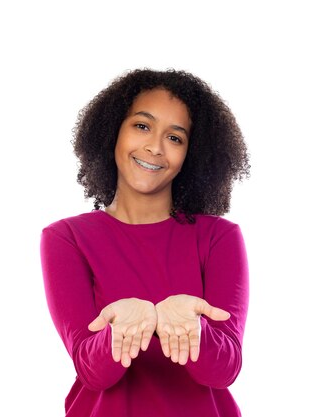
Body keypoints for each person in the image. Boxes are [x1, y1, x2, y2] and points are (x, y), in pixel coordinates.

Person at [40, 68, 250, 417]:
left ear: (192, 155)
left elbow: (223, 369)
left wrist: (193, 329)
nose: (155, 147)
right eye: (142, 126)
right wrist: (121, 330)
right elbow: (94, 372)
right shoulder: (66, 239)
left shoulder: (220, 237)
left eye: (175, 138)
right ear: (113, 133)